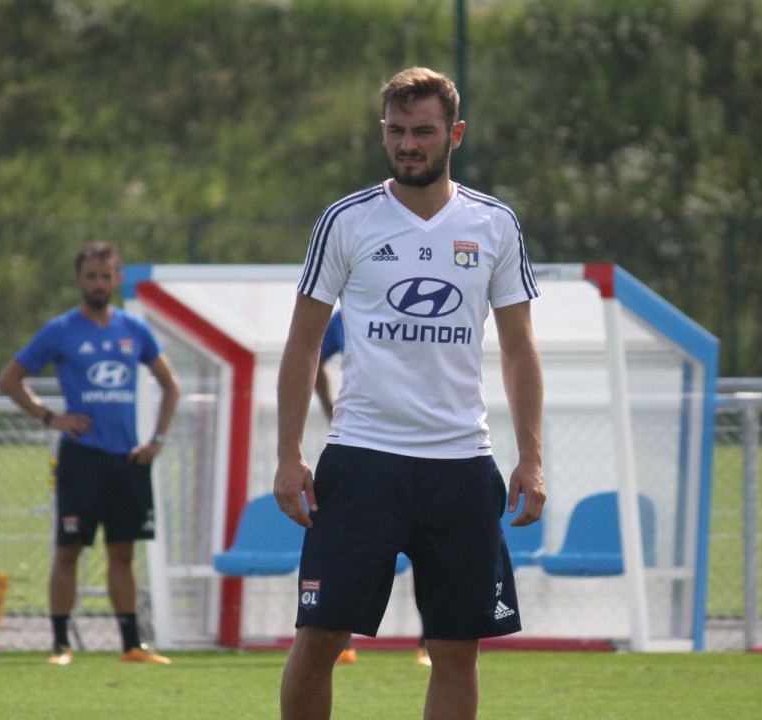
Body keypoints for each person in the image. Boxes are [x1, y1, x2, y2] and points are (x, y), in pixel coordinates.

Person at [274, 67, 545, 720]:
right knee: (318, 640)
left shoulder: (493, 224)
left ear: (454, 134)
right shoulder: (347, 220)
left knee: (456, 650)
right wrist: (288, 455)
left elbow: (518, 349)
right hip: (363, 460)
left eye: (422, 131)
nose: (408, 145)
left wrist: (531, 457)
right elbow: (303, 344)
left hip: (460, 466)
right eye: (396, 131)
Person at [0, 242, 181, 666]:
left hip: (127, 459)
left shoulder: (134, 330)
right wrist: (49, 417)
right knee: (69, 549)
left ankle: (132, 645)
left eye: (106, 276)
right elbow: (10, 378)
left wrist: (157, 440)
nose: (99, 283)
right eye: (92, 276)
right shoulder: (59, 331)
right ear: (78, 280)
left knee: (124, 553)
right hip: (82, 459)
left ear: (117, 280)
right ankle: (61, 645)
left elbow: (171, 385)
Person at [315, 310, 432, 668]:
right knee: (354, 556)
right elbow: (313, 357)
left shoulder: (437, 301)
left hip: (429, 449)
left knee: (428, 559)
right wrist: (331, 408)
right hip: (363, 451)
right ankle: (342, 640)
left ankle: (427, 644)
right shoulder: (347, 311)